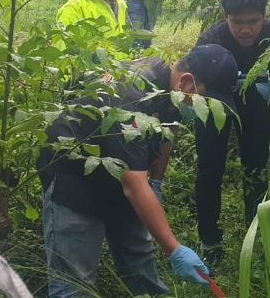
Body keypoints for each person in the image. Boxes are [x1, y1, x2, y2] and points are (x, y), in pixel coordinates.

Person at [37, 44, 240, 297]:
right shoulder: (129, 97)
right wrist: (174, 249)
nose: (208, 112)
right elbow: (133, 186)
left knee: (139, 259)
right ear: (187, 83)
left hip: (119, 169)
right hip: (74, 177)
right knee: (74, 283)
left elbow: (169, 128)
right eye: (209, 103)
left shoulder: (168, 85)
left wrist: (156, 182)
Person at [193, 0, 270, 266]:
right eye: (237, 22)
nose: (246, 29)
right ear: (225, 17)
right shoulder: (211, 39)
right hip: (216, 103)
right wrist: (212, 89)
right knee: (210, 168)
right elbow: (192, 85)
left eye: (253, 21)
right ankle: (210, 240)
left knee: (256, 165)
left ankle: (254, 234)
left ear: (264, 16)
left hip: (257, 101)